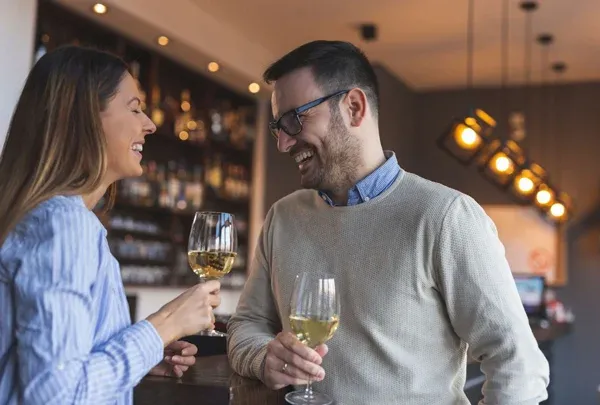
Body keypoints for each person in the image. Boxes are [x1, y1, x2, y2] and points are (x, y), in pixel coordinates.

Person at [227, 40, 550, 404]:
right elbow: (246, 324)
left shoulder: (446, 217)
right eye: (277, 127)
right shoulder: (282, 218)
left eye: (293, 120)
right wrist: (262, 356)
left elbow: (518, 365)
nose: (283, 144)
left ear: (353, 107)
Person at [0, 45, 221, 404]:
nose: (149, 125)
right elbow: (56, 396)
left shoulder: (55, 220)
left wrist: (141, 355)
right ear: (83, 116)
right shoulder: (64, 225)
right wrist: (164, 324)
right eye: (134, 108)